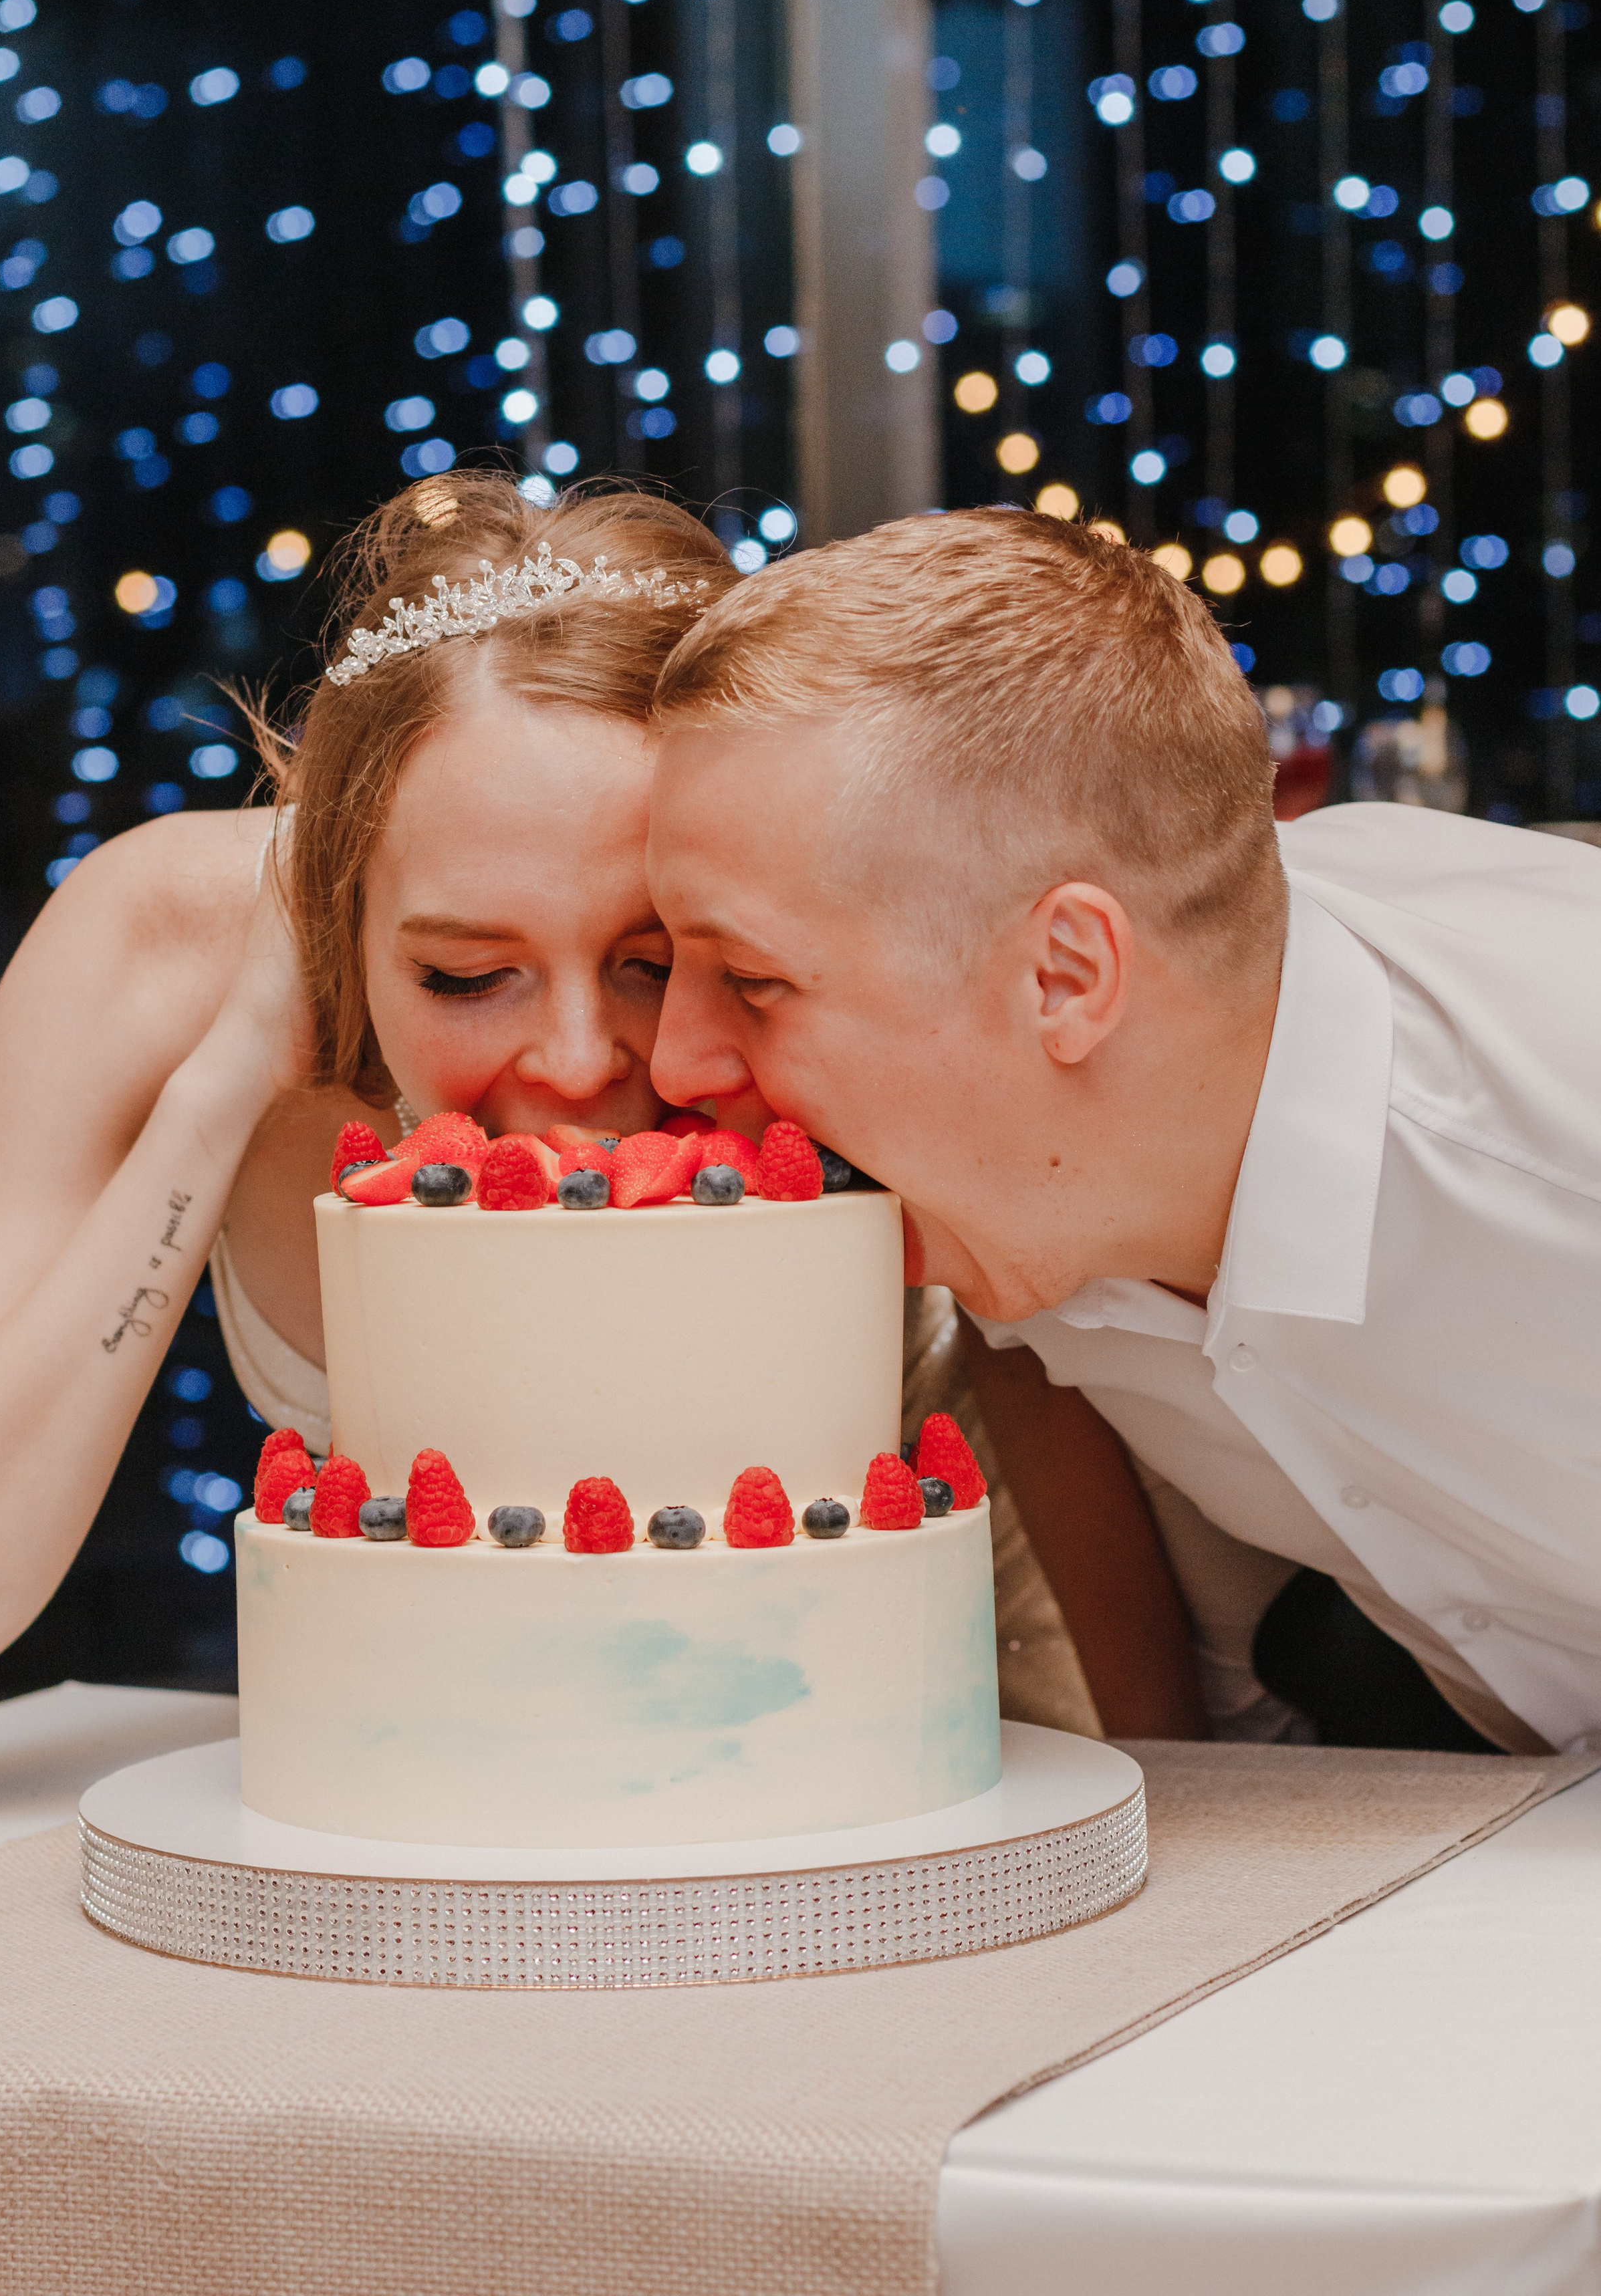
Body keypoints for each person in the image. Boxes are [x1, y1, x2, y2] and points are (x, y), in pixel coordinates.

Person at [0, 474, 1092, 1746]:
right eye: (465, 976)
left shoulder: (856, 956)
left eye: (657, 959)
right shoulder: (160, 945)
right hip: (439, 1782)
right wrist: (226, 1077)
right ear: (335, 905)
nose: (576, 1063)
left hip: (945, 1712)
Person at [646, 503, 1601, 1758]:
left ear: (1065, 975)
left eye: (755, 981)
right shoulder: (1023, 1183)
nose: (674, 1060)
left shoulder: (1554, 1131)